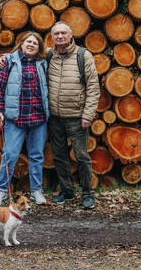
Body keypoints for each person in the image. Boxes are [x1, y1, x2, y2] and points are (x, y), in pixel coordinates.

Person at [0, 31, 49, 206]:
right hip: (15, 117)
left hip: (38, 116)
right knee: (9, 154)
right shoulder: (9, 61)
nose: (31, 45)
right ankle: (1, 191)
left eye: (35, 43)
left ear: (39, 47)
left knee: (37, 155)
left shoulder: (43, 63)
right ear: (21, 43)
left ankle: (37, 191)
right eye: (28, 41)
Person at [48, 21, 100, 209]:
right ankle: (67, 191)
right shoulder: (48, 55)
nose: (60, 36)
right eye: (56, 34)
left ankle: (87, 194)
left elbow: (93, 87)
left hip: (77, 117)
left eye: (63, 33)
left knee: (81, 156)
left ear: (70, 36)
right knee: (59, 156)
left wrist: (88, 114)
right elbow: (23, 52)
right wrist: (3, 57)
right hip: (55, 117)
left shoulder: (82, 55)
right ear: (52, 37)